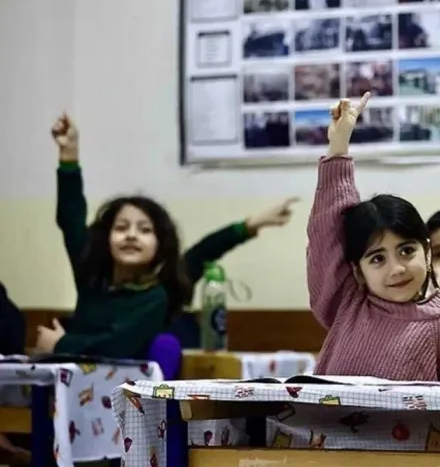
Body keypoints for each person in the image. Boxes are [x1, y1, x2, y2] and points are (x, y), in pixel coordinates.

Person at [35, 114, 297, 359]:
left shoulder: (157, 295)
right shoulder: (91, 276)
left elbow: (118, 345)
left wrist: (61, 345)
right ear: (106, 238)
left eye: (145, 230)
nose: (131, 236)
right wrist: (68, 154)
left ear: (160, 245)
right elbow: (71, 218)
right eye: (121, 227)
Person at [306, 93, 440, 381]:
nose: (396, 269)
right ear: (358, 271)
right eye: (378, 258)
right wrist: (338, 146)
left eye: (407, 251)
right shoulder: (348, 302)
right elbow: (327, 234)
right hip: (322, 428)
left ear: (428, 252)